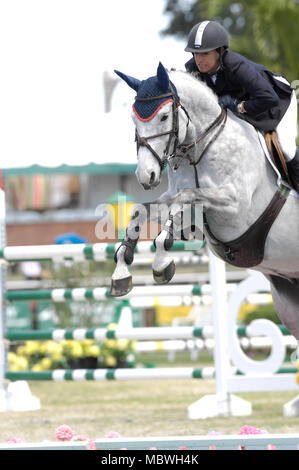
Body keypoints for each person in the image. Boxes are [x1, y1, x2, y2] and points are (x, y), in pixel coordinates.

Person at [184, 20, 299, 191]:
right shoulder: (193, 69)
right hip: (250, 106)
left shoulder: (236, 66)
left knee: (286, 148)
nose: (199, 59)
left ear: (219, 51)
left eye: (205, 53)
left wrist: (239, 107)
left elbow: (269, 98)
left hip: (277, 100)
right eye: (195, 53)